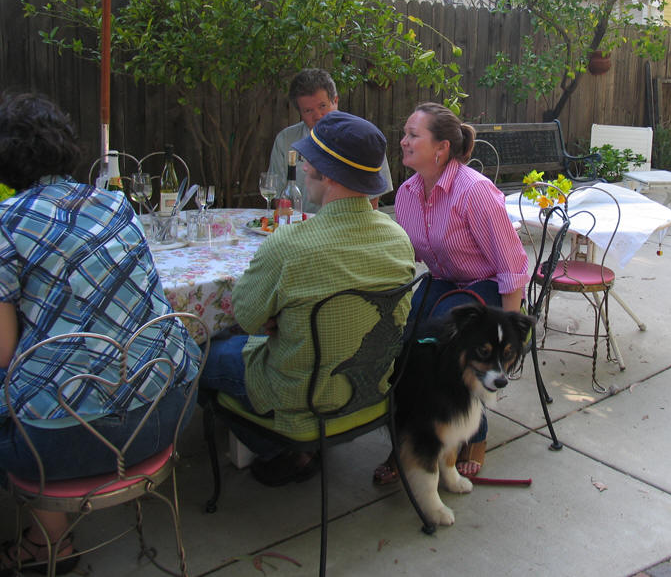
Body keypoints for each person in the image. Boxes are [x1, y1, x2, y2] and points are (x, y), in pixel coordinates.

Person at [0, 93, 202, 574]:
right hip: (168, 412)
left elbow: (4, 354)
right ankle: (47, 540)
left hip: (68, 443)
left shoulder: (7, 223)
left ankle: (46, 542)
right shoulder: (115, 205)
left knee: (25, 391)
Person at [202, 111, 416, 486]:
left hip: (300, 399)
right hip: (370, 389)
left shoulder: (289, 244)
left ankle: (282, 450)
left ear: (328, 175)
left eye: (309, 162)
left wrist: (275, 319)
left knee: (201, 354)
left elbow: (246, 317)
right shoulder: (397, 237)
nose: (302, 169)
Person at [373, 102, 529, 485]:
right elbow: (407, 256)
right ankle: (411, 433)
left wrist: (511, 331)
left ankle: (472, 433)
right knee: (402, 339)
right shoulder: (407, 193)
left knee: (448, 347)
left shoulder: (474, 192)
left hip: (486, 284)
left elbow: (511, 266)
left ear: (441, 148)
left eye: (413, 135)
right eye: (405, 133)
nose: (403, 141)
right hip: (444, 281)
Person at [268, 68, 393, 212]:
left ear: (335, 101)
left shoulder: (362, 138)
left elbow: (372, 202)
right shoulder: (286, 140)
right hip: (301, 222)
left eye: (322, 106)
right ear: (300, 112)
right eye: (308, 110)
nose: (318, 116)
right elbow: (278, 198)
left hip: (348, 223)